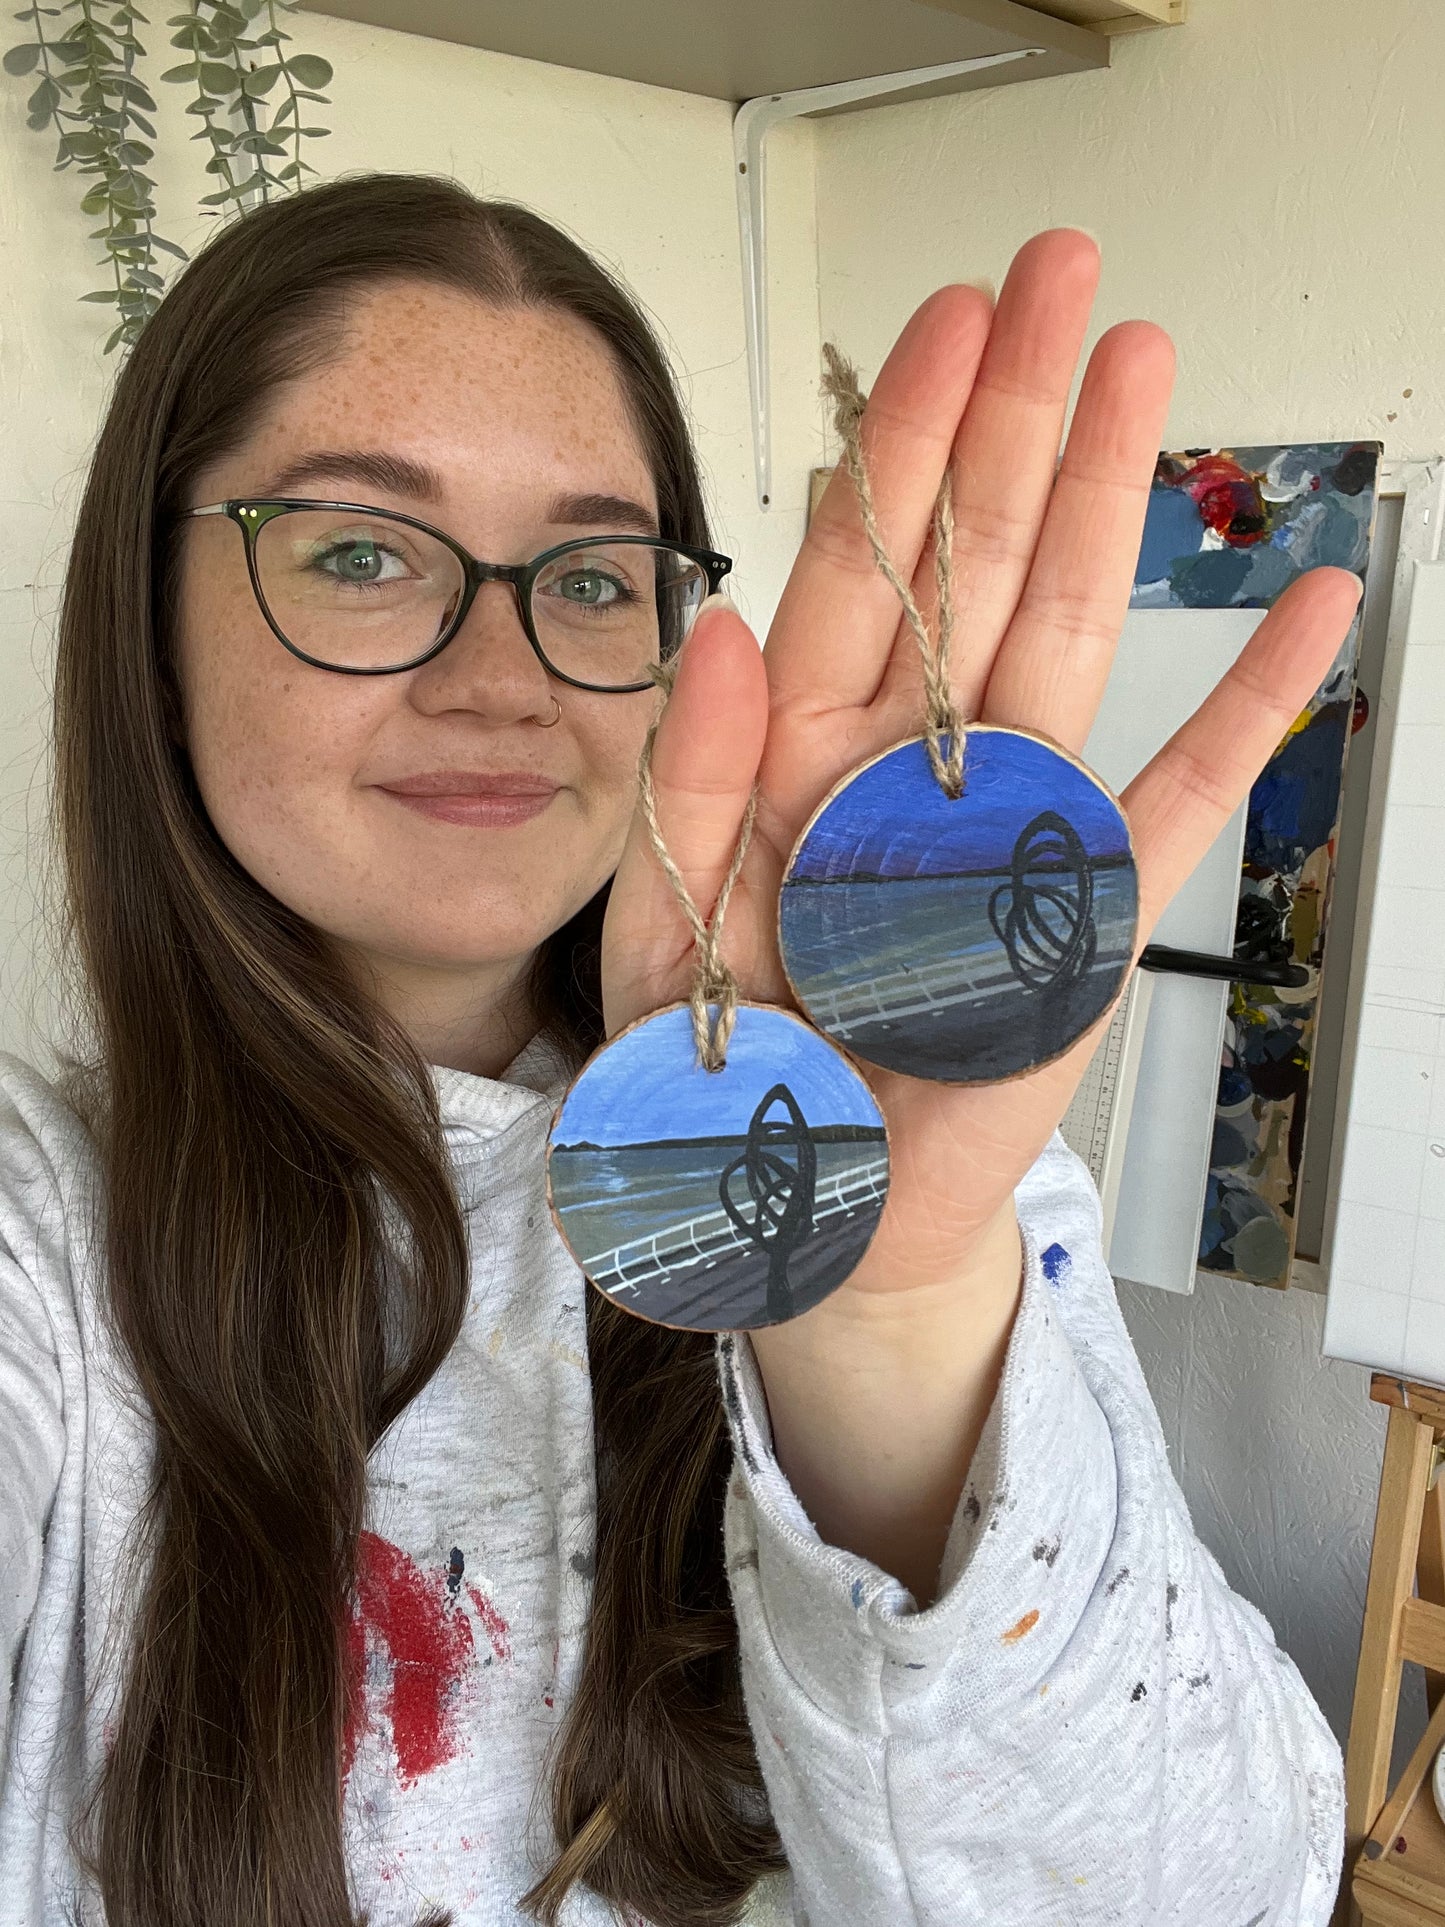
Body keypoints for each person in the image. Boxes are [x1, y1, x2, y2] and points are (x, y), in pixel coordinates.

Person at [0, 173, 1359, 1927]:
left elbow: (1218, 1897)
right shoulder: (42, 1246)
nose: (502, 675)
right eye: (357, 548)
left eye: (588, 574)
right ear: (146, 619)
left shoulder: (896, 1160)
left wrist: (878, 1323)